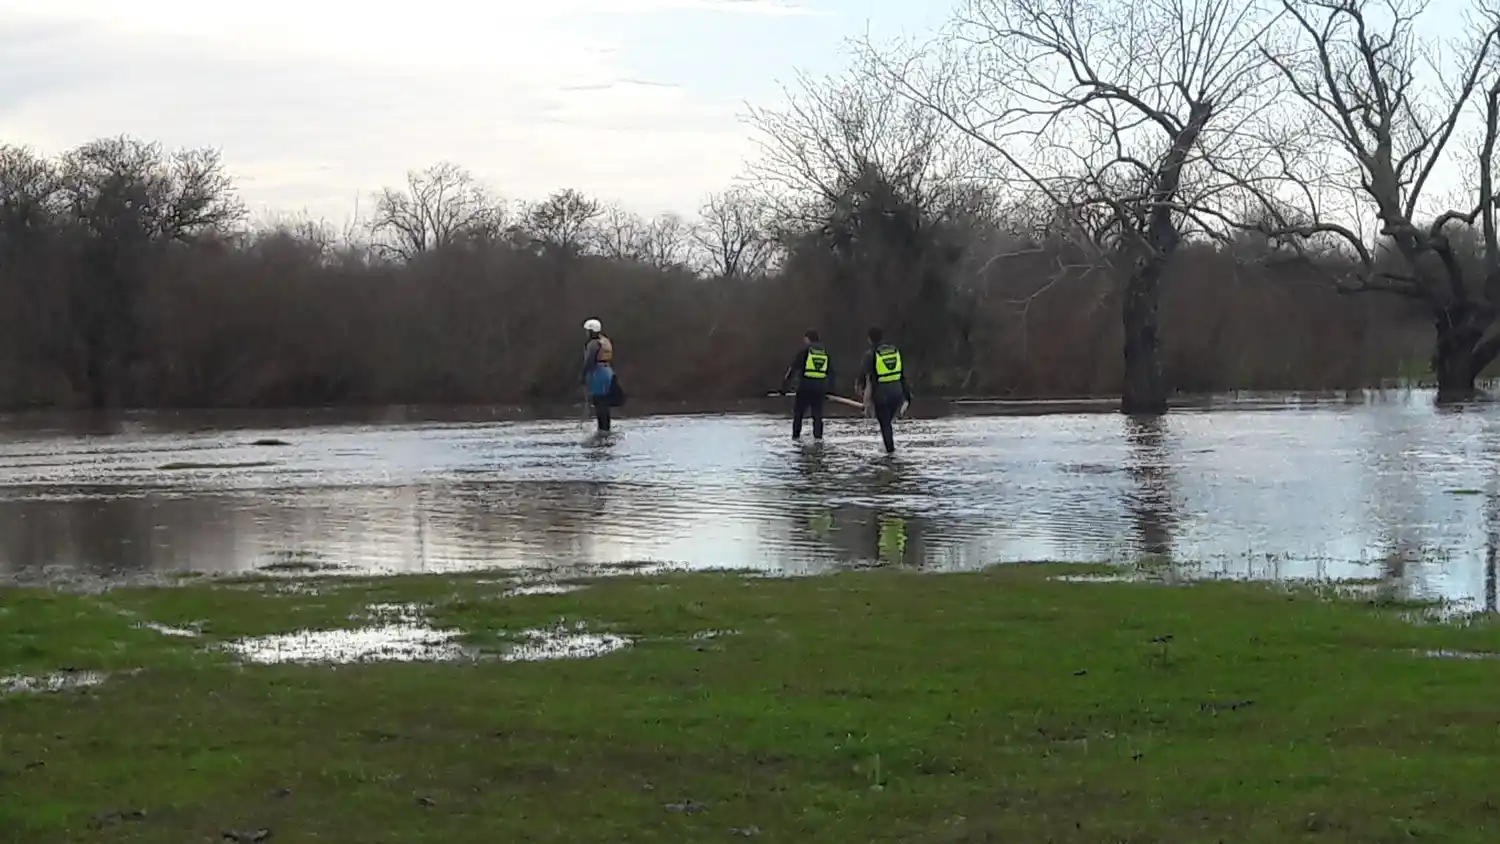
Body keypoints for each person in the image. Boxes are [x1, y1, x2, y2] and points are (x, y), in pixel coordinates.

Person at [856, 327, 912, 454]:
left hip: (882, 395)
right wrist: (907, 395)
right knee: (888, 422)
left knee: (885, 424)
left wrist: (860, 389)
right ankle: (888, 447)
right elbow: (902, 374)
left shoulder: (871, 354)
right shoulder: (894, 351)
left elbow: (863, 374)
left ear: (869, 339)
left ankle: (890, 453)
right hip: (897, 393)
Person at [781, 329, 834, 440]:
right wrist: (829, 390)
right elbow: (831, 373)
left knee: (798, 415)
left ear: (808, 339)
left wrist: (784, 387)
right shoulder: (825, 354)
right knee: (817, 416)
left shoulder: (805, 352)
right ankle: (818, 439)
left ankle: (796, 438)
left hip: (805, 388)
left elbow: (793, 369)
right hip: (820, 389)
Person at [582, 318, 616, 432]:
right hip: (608, 372)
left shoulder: (592, 344)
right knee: (605, 403)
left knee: (599, 402)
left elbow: (589, 361)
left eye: (587, 331)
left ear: (591, 331)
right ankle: (606, 427)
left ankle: (602, 429)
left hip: (598, 373)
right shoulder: (604, 340)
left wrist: (583, 375)